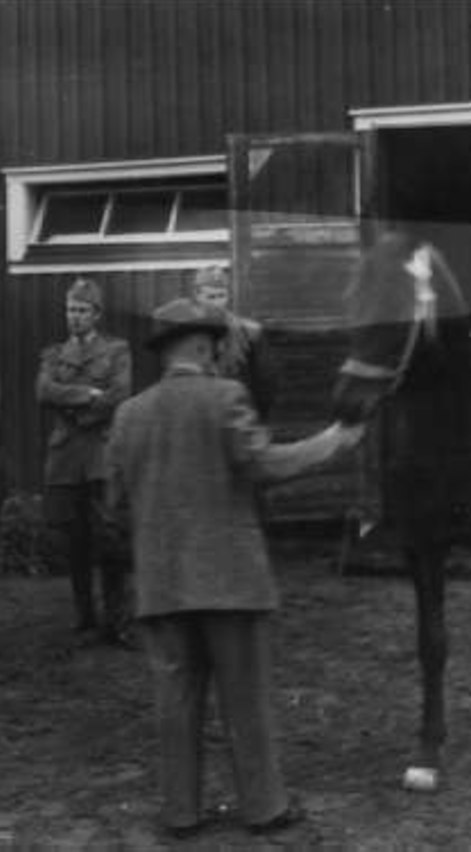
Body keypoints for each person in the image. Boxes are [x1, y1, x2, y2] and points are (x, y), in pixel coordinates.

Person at [105, 297, 361, 839]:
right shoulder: (226, 397)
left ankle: (181, 813)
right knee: (245, 699)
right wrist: (331, 442)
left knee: (175, 701)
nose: (223, 355)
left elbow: (113, 502)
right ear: (205, 346)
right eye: (220, 347)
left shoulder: (128, 415)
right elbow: (266, 464)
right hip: (231, 581)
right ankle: (264, 808)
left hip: (162, 582)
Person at [36, 278, 133, 647]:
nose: (74, 316)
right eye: (70, 309)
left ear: (96, 314)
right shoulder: (53, 353)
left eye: (81, 310)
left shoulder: (117, 350)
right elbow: (43, 391)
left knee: (111, 539)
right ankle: (84, 616)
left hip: (102, 456)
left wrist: (78, 410)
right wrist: (87, 394)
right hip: (67, 458)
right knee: (74, 540)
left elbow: (120, 393)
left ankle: (116, 620)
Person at [191, 265, 273, 419]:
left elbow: (265, 383)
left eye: (221, 296)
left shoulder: (250, 333)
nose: (217, 303)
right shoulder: (184, 334)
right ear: (197, 296)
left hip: (236, 417)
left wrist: (255, 417)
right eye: (211, 297)